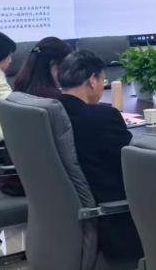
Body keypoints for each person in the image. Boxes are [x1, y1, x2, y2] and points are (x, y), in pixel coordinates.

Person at [57, 50, 140, 259]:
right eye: (103, 80)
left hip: (65, 222)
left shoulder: (49, 113)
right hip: (114, 224)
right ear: (92, 81)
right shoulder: (103, 117)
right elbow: (134, 166)